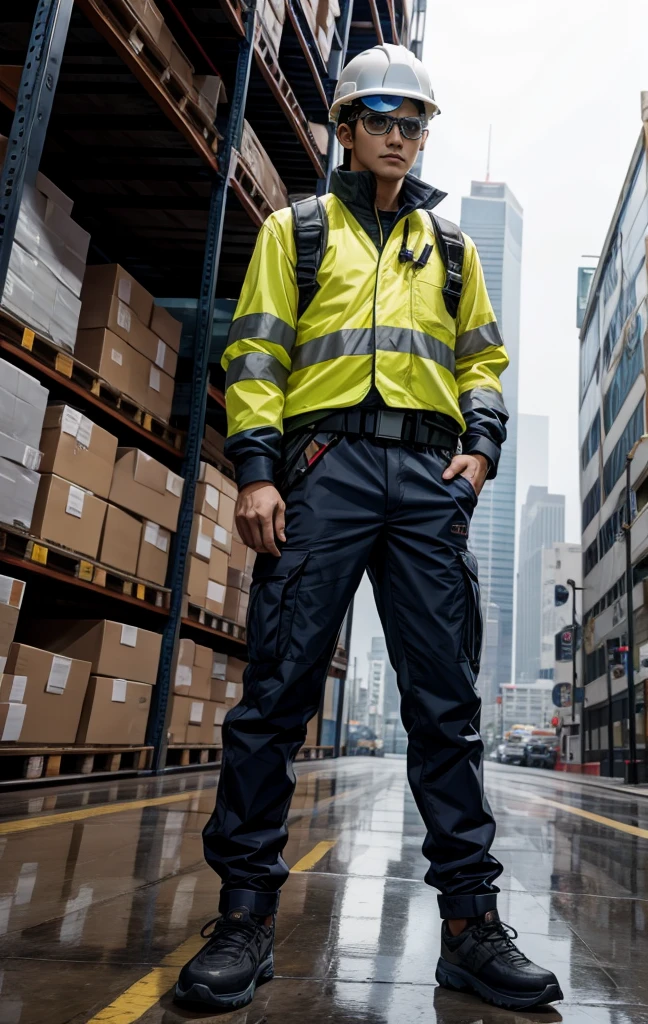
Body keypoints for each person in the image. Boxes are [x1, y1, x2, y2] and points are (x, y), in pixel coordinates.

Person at [176, 43, 563, 1013]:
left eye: (414, 120)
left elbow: (483, 359)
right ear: (346, 128)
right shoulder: (294, 231)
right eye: (382, 116)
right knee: (277, 689)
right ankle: (245, 917)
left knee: (446, 706)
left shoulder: (455, 249)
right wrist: (258, 470)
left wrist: (480, 450)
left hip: (429, 478)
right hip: (322, 472)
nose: (400, 133)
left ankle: (471, 926)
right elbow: (256, 352)